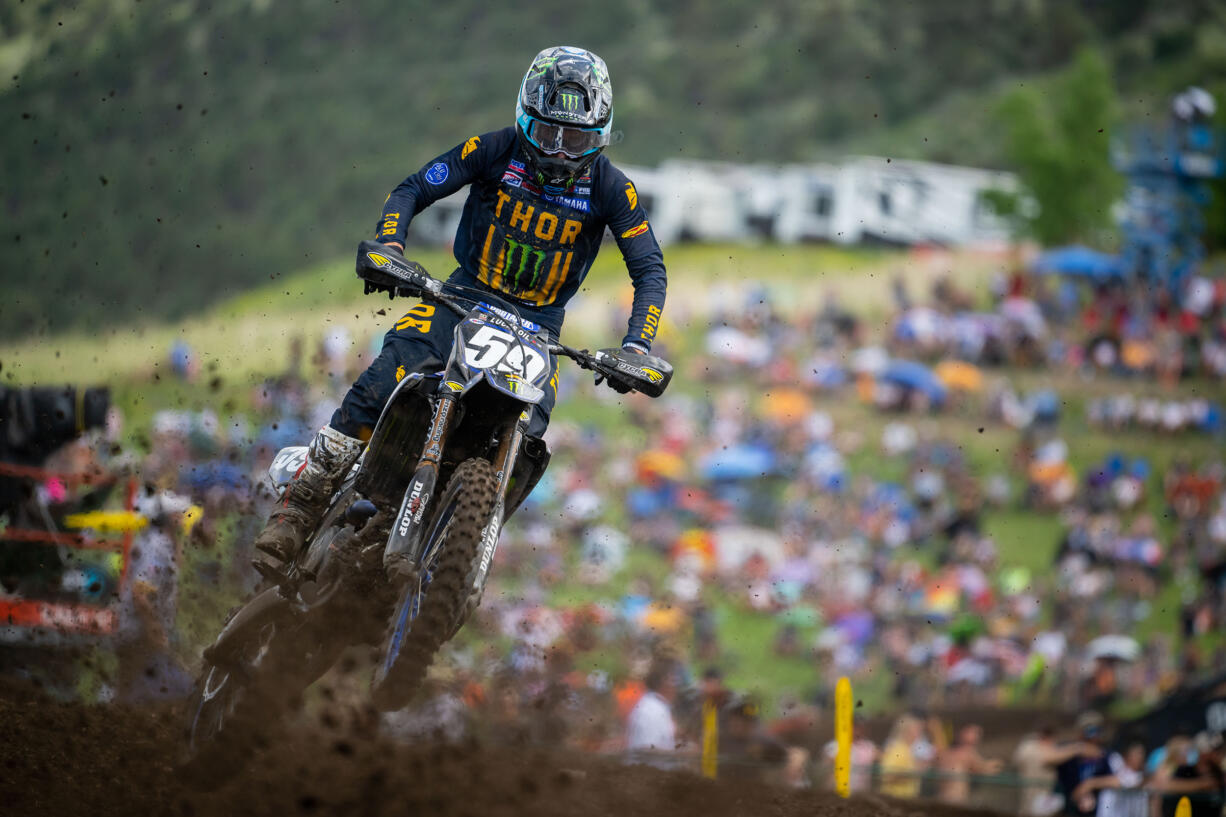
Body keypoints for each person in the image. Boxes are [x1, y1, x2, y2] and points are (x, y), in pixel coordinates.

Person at [253, 46, 667, 566]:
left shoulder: (612, 188)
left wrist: (637, 345)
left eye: (576, 140)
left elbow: (649, 268)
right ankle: (299, 507)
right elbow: (413, 188)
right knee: (387, 375)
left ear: (601, 135)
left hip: (538, 327)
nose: (560, 153)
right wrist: (391, 246)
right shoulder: (495, 149)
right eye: (547, 135)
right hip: (462, 299)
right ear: (524, 118)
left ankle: (460, 545)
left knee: (529, 437)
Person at [938, 723, 1004, 804]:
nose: (977, 737)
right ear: (962, 733)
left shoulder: (947, 752)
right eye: (974, 732)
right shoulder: (966, 753)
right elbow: (984, 769)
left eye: (978, 733)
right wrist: (999, 763)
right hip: (956, 801)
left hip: (942, 799)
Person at [626, 663, 678, 761]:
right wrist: (681, 753)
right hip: (649, 773)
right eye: (673, 681)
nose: (676, 688)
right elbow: (645, 749)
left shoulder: (655, 706)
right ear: (664, 683)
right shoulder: (652, 710)